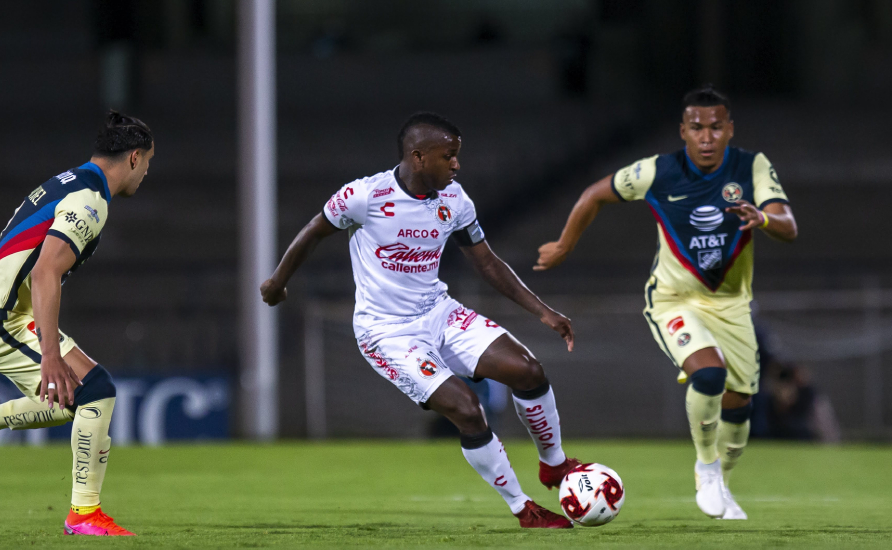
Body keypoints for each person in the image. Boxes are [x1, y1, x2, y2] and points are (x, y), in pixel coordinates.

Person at [261, 113, 580, 529]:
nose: (456, 164)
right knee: (468, 409)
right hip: (386, 332)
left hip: (438, 313)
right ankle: (524, 508)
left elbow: (487, 261)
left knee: (528, 371)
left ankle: (553, 466)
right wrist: (276, 282)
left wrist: (542, 310)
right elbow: (313, 231)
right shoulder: (365, 195)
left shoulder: (455, 200)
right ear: (418, 157)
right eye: (449, 156)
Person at [534, 86, 798, 520]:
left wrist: (764, 217)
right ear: (683, 132)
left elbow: (788, 225)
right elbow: (594, 193)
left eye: (716, 127)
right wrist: (564, 245)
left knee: (739, 409)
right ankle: (706, 468)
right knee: (709, 374)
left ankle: (724, 477)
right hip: (674, 300)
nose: (707, 136)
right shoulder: (656, 172)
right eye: (697, 128)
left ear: (729, 129)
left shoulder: (752, 167)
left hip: (732, 305)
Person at [0, 111, 155, 536]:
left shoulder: (69, 180)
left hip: (4, 312)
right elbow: (44, 272)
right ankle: (84, 514)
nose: (147, 172)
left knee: (79, 395)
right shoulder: (90, 201)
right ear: (134, 158)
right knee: (96, 391)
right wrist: (51, 358)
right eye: (148, 162)